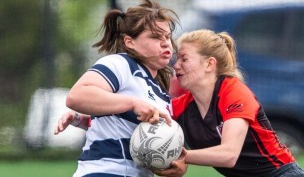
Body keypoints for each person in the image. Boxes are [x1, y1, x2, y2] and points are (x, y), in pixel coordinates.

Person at [56, 29, 304, 177]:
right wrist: (85, 119)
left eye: (184, 59)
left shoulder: (234, 92)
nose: (175, 66)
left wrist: (181, 155)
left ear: (209, 64)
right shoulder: (183, 106)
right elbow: (141, 123)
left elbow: (229, 155)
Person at [56, 0, 180, 176]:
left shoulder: (160, 93)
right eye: (155, 36)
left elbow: (122, 127)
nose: (165, 42)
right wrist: (132, 103)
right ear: (130, 42)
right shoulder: (121, 64)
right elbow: (76, 96)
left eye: (167, 36)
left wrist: (175, 165)